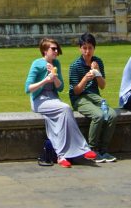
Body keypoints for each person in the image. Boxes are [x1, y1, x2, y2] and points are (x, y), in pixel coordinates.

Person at [25, 36, 97, 168]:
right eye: (53, 49)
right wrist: (46, 80)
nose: (56, 51)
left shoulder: (56, 64)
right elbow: (28, 88)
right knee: (65, 108)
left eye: (57, 48)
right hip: (39, 100)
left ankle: (61, 156)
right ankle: (83, 148)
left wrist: (54, 77)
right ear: (45, 50)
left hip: (53, 99)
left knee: (58, 120)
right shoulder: (37, 63)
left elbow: (61, 87)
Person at [69, 32, 118, 162]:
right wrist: (85, 78)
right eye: (84, 48)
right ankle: (91, 149)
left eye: (90, 48)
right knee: (98, 115)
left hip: (94, 96)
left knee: (112, 115)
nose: (87, 51)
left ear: (94, 48)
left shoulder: (98, 62)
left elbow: (102, 86)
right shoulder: (75, 66)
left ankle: (104, 150)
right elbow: (76, 91)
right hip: (79, 98)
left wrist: (97, 73)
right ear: (80, 48)